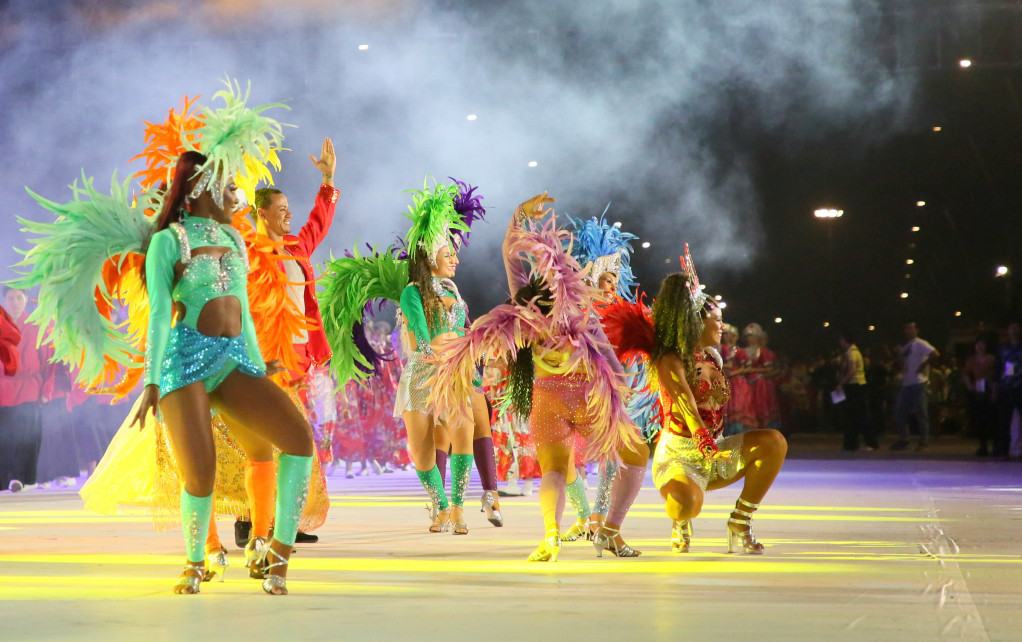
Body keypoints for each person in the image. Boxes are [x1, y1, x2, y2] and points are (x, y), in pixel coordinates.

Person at [14, 84, 314, 595]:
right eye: (226, 185)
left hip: (234, 358)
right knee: (200, 474)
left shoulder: (235, 238)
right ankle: (196, 562)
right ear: (197, 190)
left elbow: (241, 312)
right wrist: (152, 380)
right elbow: (157, 319)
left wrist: (260, 368)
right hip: (184, 362)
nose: (235, 193)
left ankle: (278, 554)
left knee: (299, 441)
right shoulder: (166, 242)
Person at [429, 194, 645, 561]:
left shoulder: (525, 310)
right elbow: (611, 365)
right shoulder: (581, 312)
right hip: (587, 397)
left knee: (554, 473)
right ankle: (608, 530)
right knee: (635, 454)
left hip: (546, 399)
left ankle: (551, 537)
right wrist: (621, 394)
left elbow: (510, 256)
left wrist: (518, 219)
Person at [602, 247, 787, 554]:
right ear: (698, 324)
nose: (723, 327)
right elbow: (686, 404)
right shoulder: (670, 359)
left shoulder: (713, 356)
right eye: (718, 320)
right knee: (686, 505)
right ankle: (680, 519)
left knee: (774, 442)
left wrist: (715, 446)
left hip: (717, 449)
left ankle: (740, 520)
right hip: (681, 458)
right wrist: (704, 444)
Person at [0, 287, 42, 493]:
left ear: (26, 299)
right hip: (3, 390)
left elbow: (44, 358)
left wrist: (48, 388)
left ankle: (22, 478)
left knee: (25, 436)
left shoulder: (35, 325)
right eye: (10, 298)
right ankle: (4, 478)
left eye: (19, 297)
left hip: (28, 389)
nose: (15, 301)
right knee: (4, 436)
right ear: (4, 300)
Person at [891, 321, 939, 451]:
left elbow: (935, 354)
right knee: (900, 412)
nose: (909, 331)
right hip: (907, 383)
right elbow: (903, 364)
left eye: (912, 328)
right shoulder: (906, 346)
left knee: (921, 413)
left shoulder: (920, 343)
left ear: (917, 330)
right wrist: (899, 355)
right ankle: (904, 439)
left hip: (918, 383)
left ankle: (924, 441)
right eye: (907, 328)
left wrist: (924, 365)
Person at [836, 330, 877, 452]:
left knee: (857, 416)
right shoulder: (853, 352)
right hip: (856, 386)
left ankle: (861, 443)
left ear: (845, 340)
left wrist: (841, 383)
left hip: (855, 386)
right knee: (856, 416)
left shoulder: (852, 353)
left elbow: (851, 371)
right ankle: (854, 443)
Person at [994, 321, 1022, 459]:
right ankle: (1003, 451)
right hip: (1006, 387)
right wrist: (996, 386)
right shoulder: (1002, 349)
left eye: (1017, 328)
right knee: (1004, 420)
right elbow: (997, 368)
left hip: (1020, 387)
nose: (1014, 331)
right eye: (1012, 328)